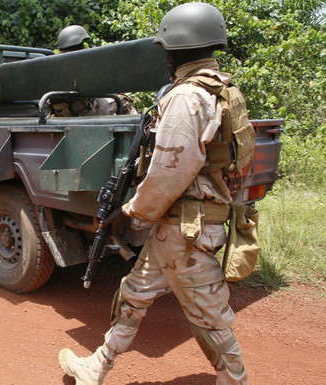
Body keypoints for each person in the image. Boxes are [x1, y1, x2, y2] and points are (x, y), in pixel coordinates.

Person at [58, 3, 251, 385]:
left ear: (180, 47)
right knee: (134, 292)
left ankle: (235, 379)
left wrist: (130, 214)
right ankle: (96, 367)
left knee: (209, 317)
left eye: (167, 48)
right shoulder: (224, 91)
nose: (164, 56)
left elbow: (168, 174)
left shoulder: (186, 98)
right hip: (180, 226)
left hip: (185, 232)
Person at [50, 25, 137, 117]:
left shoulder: (53, 65)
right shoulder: (79, 62)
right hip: (84, 109)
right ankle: (142, 129)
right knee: (123, 101)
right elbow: (93, 88)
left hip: (59, 111)